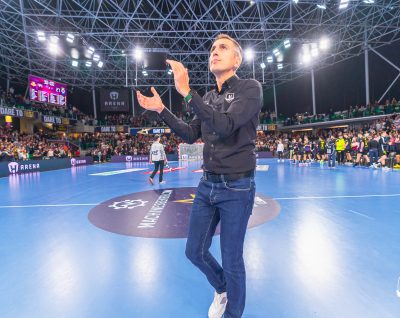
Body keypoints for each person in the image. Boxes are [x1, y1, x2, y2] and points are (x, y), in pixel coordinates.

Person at [137, 33, 262, 318]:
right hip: (207, 185)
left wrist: (187, 93)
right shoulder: (207, 97)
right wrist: (161, 110)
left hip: (237, 188)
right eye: (212, 49)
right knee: (194, 251)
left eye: (223, 48)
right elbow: (192, 133)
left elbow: (226, 125)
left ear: (237, 59)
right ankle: (222, 289)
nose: (214, 52)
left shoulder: (250, 88)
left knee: (232, 260)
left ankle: (233, 313)